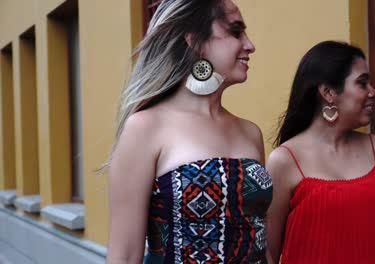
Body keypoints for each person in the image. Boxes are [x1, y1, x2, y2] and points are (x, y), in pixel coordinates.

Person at [106, 0, 273, 263]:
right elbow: (124, 255)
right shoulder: (146, 127)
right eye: (235, 31)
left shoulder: (250, 132)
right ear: (194, 40)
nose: (250, 45)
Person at [265, 41, 375, 264]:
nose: (373, 92)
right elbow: (269, 253)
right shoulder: (285, 161)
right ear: (328, 92)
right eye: (362, 83)